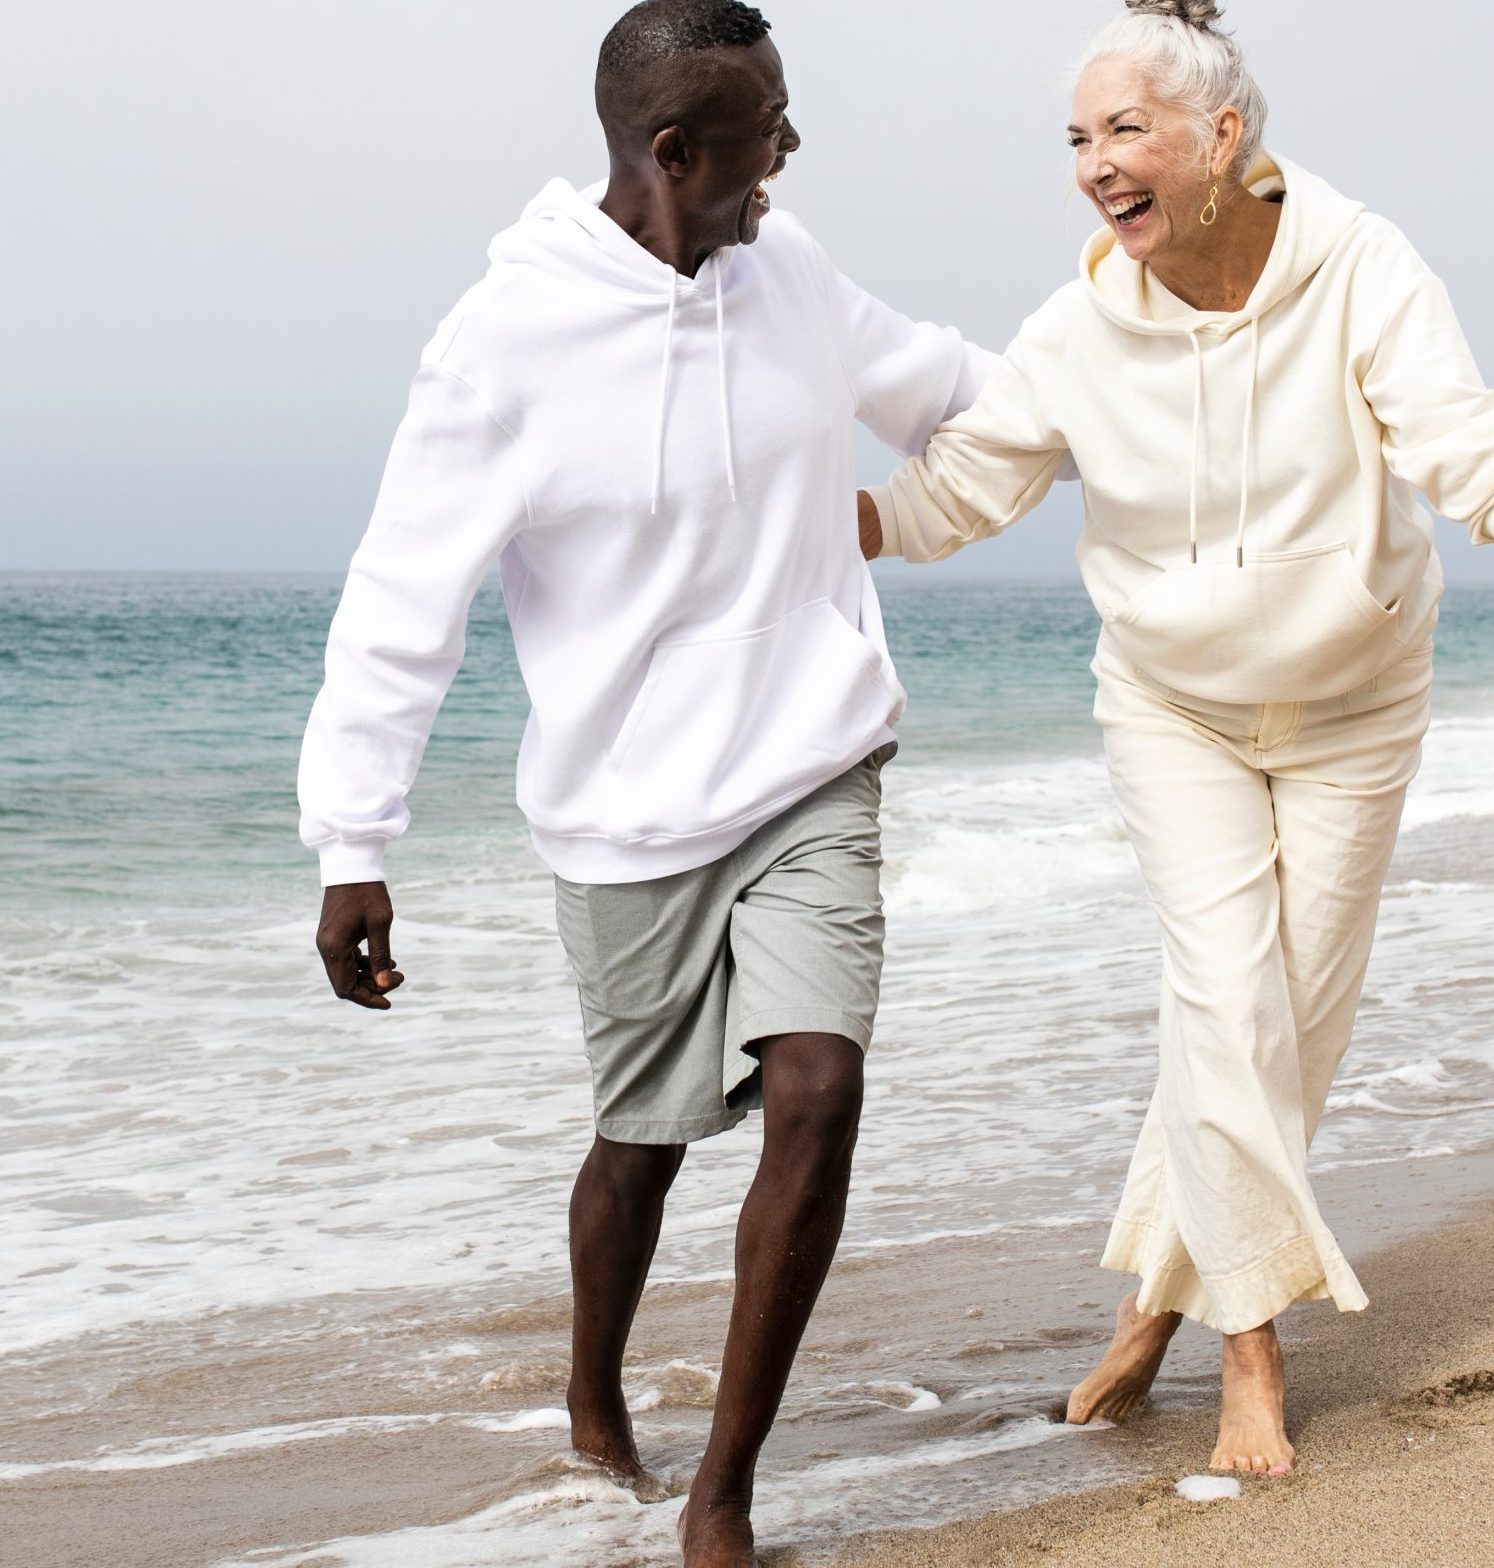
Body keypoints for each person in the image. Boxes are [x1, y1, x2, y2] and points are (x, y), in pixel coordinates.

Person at [857, 0, 1494, 1479]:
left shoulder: (1360, 268)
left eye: (1126, 131)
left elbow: (1472, 448)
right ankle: (1249, 1358)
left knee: (1286, 1031)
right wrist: (784, 519)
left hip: (1353, 707)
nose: (1097, 165)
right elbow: (951, 494)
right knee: (1226, 1002)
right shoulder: (1076, 325)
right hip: (1173, 705)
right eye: (1080, 140)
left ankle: (1155, 1300)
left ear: (1221, 138)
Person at [297, 3, 994, 1560]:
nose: (791, 154)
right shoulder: (505, 342)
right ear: (674, 154)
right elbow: (404, 598)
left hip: (813, 758)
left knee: (818, 1086)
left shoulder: (790, 270)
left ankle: (721, 1494)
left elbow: (952, 383)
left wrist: (1158, 395)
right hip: (625, 810)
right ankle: (595, 1392)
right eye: (766, 131)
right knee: (644, 1140)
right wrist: (353, 837)